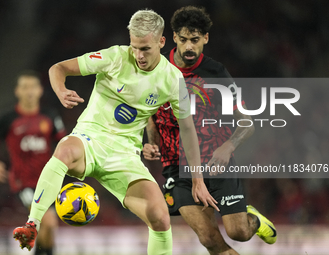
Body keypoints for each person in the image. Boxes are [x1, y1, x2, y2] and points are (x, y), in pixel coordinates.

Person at [12, 9, 218, 255]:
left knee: (160, 216)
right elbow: (58, 68)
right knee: (65, 150)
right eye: (135, 47)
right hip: (90, 139)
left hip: (125, 155)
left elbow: (187, 129)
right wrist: (60, 90)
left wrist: (197, 180)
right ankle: (32, 224)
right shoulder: (114, 57)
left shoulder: (173, 80)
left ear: (161, 42)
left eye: (145, 49)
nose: (139, 55)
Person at [143, 6, 277, 255]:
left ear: (206, 38)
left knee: (238, 232)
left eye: (195, 40)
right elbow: (151, 114)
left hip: (216, 163)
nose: (189, 47)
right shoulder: (156, 69)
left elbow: (247, 122)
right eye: (183, 40)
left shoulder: (217, 74)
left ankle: (254, 220)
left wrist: (229, 146)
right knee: (209, 239)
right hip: (177, 167)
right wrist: (151, 143)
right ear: (174, 37)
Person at [0, 70, 66, 255]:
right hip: (23, 182)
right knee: (48, 221)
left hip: (48, 180)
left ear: (40, 91)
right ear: (17, 91)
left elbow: (64, 142)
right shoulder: (7, 118)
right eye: (25, 87)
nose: (29, 91)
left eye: (32, 87)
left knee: (48, 229)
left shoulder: (50, 116)